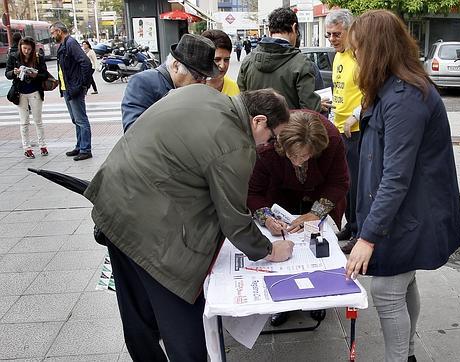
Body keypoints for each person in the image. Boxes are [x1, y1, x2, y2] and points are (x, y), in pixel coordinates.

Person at [84, 86, 294, 360]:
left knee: (138, 312)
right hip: (151, 232)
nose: (267, 145)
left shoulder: (200, 92)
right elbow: (234, 218)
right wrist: (269, 250)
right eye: (271, 137)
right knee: (182, 319)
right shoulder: (235, 143)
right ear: (259, 121)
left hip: (113, 205)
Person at [344, 10, 460, 362]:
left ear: (376, 50)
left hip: (408, 215)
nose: (355, 59)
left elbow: (396, 176)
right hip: (404, 212)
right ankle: (408, 354)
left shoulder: (404, 98)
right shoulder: (392, 89)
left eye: (358, 51)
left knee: (386, 290)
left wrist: (367, 238)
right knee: (402, 282)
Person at [247, 110, 349, 327]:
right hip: (280, 198)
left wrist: (315, 213)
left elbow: (339, 182)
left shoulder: (330, 139)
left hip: (318, 196)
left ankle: (317, 298)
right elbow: (253, 192)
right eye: (292, 155)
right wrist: (266, 218)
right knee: (285, 253)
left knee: (316, 249)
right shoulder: (269, 145)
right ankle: (284, 302)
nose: (298, 162)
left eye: (304, 156)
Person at [323, 9, 363, 253]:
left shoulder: (359, 56)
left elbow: (371, 91)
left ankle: (359, 232)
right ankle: (350, 225)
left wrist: (355, 115)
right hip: (338, 127)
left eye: (337, 34)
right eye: (329, 35)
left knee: (358, 185)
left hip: (356, 131)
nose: (332, 39)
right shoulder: (337, 57)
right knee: (346, 183)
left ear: (350, 31)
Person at [121, 34, 217, 132]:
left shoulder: (193, 90)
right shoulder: (143, 83)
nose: (202, 83)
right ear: (176, 66)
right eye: (198, 77)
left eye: (206, 78)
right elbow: (133, 132)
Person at [237, 7, 321, 112]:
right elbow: (310, 111)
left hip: (256, 127)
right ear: (294, 28)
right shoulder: (301, 63)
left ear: (269, 30)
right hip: (291, 127)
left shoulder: (248, 60)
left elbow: (242, 103)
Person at [50, 22, 93, 161]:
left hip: (74, 89)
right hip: (67, 88)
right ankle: (80, 146)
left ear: (58, 31)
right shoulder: (64, 44)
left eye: (52, 33)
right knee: (76, 120)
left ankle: (85, 149)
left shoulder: (71, 43)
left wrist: (82, 85)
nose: (52, 36)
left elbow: (85, 62)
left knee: (81, 120)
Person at [5, 36, 49, 158]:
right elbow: (7, 74)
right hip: (20, 93)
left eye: (29, 49)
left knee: (38, 120)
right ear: (20, 47)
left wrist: (36, 75)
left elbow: (44, 74)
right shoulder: (14, 57)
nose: (27, 51)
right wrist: (14, 72)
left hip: (35, 91)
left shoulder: (38, 57)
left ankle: (43, 146)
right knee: (24, 121)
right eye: (24, 48)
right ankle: (27, 148)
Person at [201, 29, 240, 96]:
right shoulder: (191, 89)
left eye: (226, 60)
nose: (222, 66)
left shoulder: (234, 88)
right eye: (216, 60)